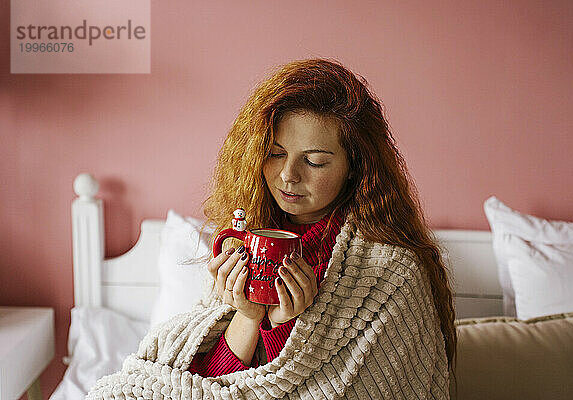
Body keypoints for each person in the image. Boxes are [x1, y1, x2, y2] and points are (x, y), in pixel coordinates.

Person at [87, 58, 456, 400]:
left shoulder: (393, 274)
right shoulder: (244, 241)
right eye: (276, 153)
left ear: (355, 168)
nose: (288, 175)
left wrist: (286, 325)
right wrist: (249, 317)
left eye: (314, 161)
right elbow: (207, 386)